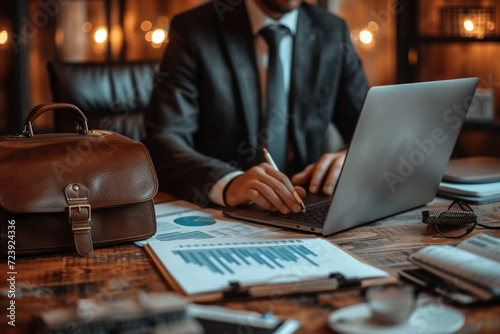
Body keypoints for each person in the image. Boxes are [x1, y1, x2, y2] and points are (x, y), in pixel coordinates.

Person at [144, 0, 369, 214]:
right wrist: (228, 181)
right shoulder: (194, 28)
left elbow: (368, 126)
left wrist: (352, 156)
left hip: (309, 206)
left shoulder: (331, 30)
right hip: (223, 212)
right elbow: (164, 139)